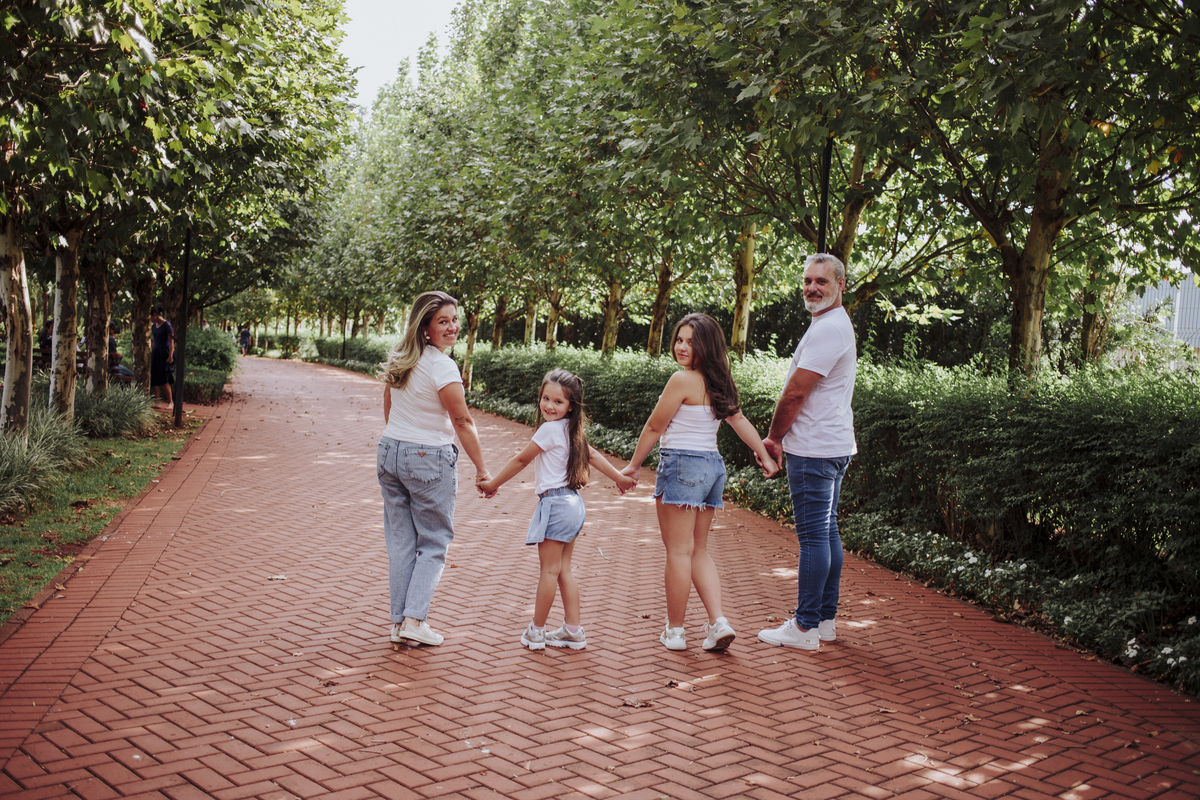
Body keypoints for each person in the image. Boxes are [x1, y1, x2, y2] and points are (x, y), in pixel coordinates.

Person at [620, 313, 779, 652]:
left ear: (706, 346)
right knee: (698, 550)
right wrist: (765, 456)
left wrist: (633, 466)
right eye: (679, 339)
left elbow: (654, 426)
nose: (681, 347)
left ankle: (676, 632)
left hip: (683, 465)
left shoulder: (682, 380)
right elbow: (738, 420)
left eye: (691, 342)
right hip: (712, 467)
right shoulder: (720, 381)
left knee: (678, 552)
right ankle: (718, 622)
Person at [477, 369, 635, 651]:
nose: (549, 406)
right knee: (563, 570)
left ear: (571, 405)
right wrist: (619, 478)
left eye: (558, 402)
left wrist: (492, 484)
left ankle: (537, 631)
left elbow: (521, 460)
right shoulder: (571, 430)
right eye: (546, 398)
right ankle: (573, 630)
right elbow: (593, 455)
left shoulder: (549, 430)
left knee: (549, 571)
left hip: (556, 504)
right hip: (573, 503)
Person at [377, 291, 491, 647]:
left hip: (390, 451)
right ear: (425, 327)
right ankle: (414, 619)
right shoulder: (442, 365)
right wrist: (482, 469)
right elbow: (462, 420)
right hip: (428, 457)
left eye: (455, 319)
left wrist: (400, 439)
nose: (452, 327)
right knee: (435, 541)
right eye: (443, 321)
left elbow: (388, 404)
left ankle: (399, 623)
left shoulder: (402, 357)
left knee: (401, 542)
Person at [757, 254, 857, 651]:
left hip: (814, 449)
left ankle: (804, 627)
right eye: (807, 280)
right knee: (827, 531)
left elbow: (796, 392)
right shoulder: (832, 323)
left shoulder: (827, 329)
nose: (812, 288)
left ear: (841, 285)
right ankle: (824, 621)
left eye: (822, 281)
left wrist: (773, 438)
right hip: (832, 444)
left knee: (814, 537)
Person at [150, 306, 174, 407]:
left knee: (164, 378)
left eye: (150, 317)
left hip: (164, 353)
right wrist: (152, 353)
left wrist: (170, 355)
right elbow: (154, 341)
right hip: (156, 352)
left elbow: (171, 342)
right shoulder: (153, 326)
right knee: (154, 378)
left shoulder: (167, 325)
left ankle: (170, 402)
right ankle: (157, 401)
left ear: (154, 315)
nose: (150, 319)